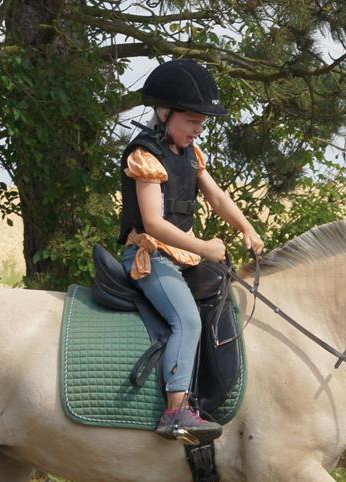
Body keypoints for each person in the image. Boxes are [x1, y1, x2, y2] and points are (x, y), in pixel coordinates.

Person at [118, 58, 265, 443]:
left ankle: (212, 394)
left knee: (225, 299)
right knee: (188, 320)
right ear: (165, 114)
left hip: (181, 257)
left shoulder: (190, 155)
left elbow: (216, 196)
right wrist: (203, 246)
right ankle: (176, 412)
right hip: (151, 256)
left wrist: (245, 227)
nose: (198, 129)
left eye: (202, 122)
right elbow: (154, 223)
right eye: (192, 121)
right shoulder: (145, 156)